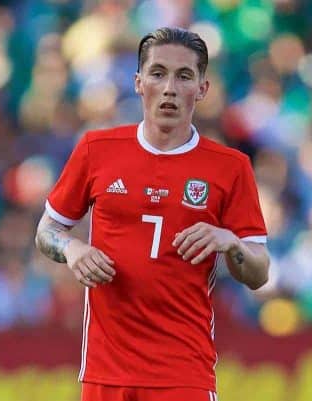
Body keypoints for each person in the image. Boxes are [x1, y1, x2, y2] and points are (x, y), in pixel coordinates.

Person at [35, 27, 270, 401]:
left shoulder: (230, 167)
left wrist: (229, 242)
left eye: (184, 76)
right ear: (138, 83)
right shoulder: (97, 150)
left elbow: (258, 273)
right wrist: (73, 250)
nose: (170, 88)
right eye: (158, 73)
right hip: (105, 372)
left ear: (203, 89)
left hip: (183, 373)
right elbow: (48, 230)